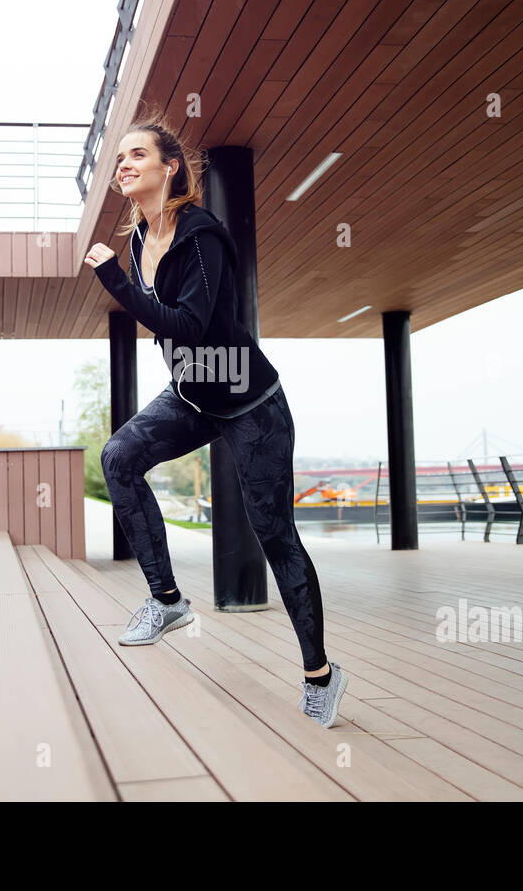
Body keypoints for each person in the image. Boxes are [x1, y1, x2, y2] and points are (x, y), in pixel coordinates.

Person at [83, 113, 348, 728]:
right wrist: (124, 276)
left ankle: (321, 675)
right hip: (195, 395)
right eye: (119, 157)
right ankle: (167, 601)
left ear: (169, 166)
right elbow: (171, 335)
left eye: (136, 155)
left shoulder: (201, 235)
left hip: (251, 403)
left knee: (274, 534)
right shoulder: (135, 238)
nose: (123, 165)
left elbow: (189, 325)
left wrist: (114, 282)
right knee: (119, 457)